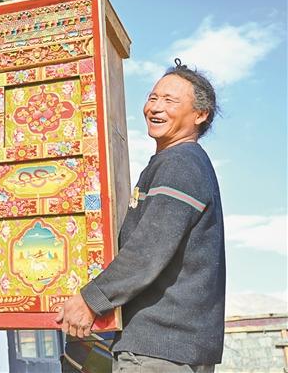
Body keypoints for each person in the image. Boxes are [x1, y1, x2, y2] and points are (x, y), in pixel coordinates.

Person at [56, 59, 225, 372]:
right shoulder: (174, 162)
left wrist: (92, 299)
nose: (156, 107)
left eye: (170, 101)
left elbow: (149, 249)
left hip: (160, 349)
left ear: (200, 114)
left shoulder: (181, 162)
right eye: (153, 98)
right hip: (170, 347)